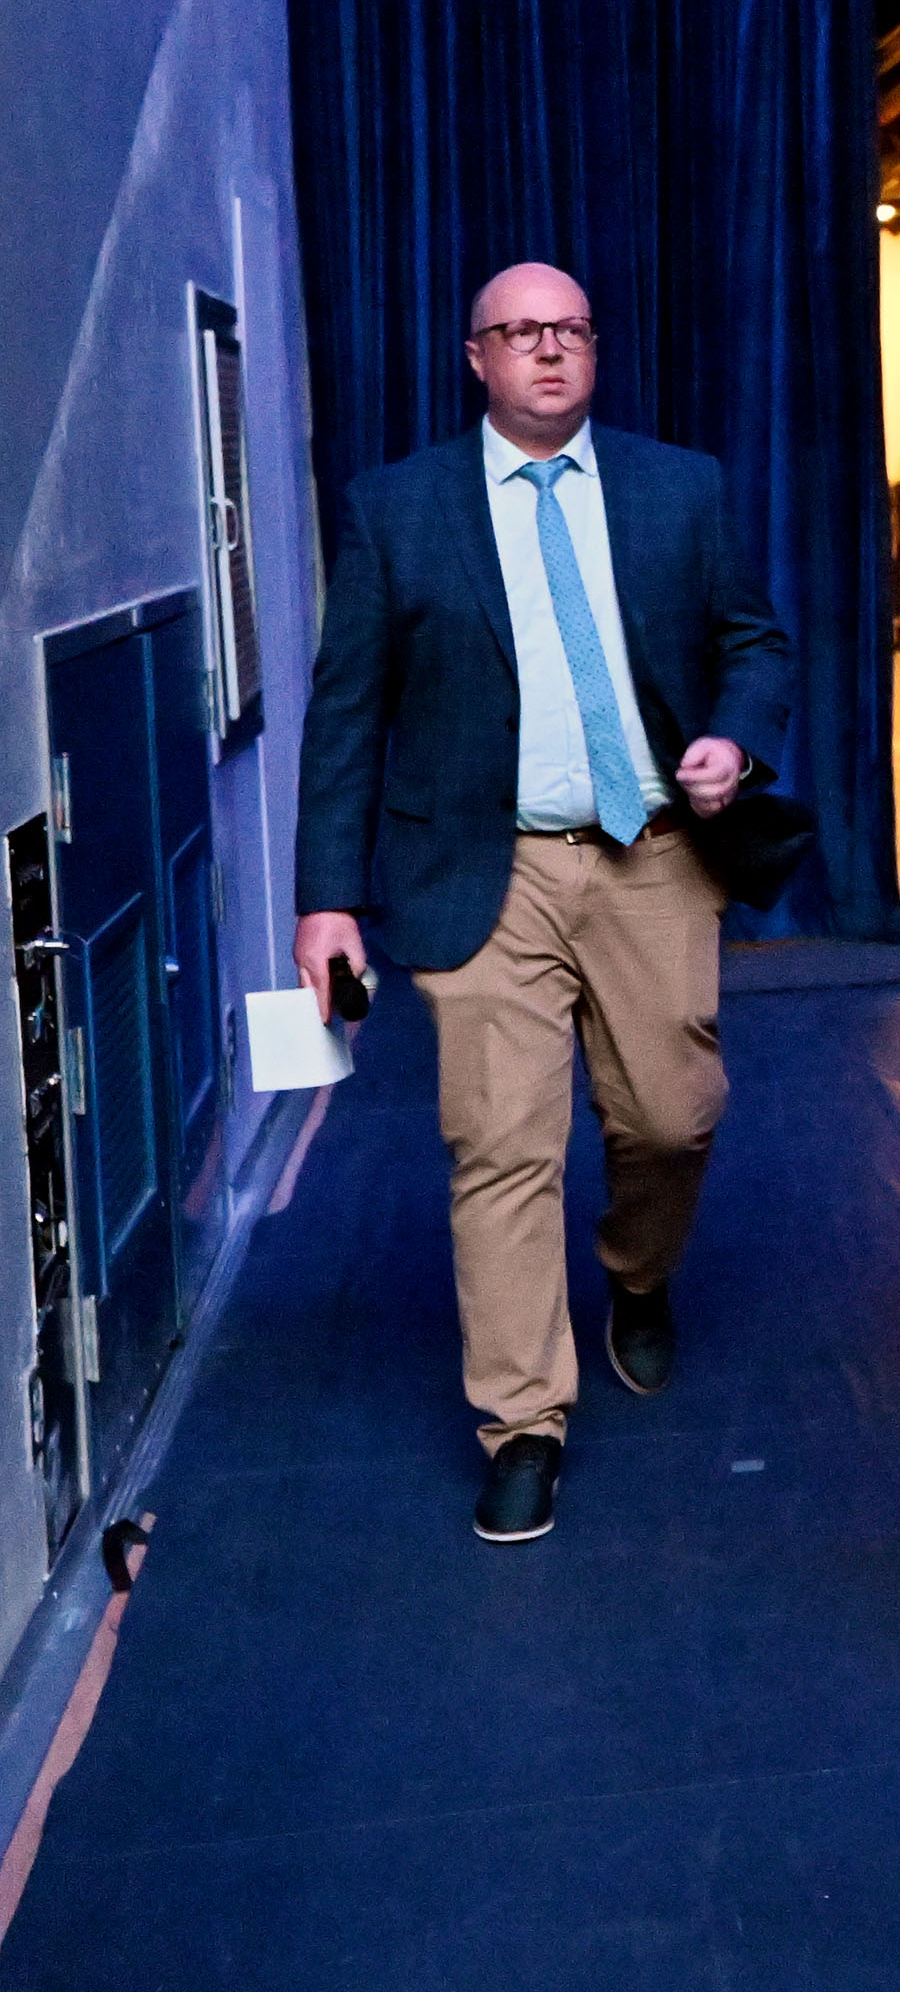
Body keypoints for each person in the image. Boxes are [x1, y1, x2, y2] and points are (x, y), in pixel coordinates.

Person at [294, 263, 789, 1546]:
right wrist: (324, 902)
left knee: (672, 1116)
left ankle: (637, 1273)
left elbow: (754, 640)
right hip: (481, 871)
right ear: (477, 358)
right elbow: (347, 712)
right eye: (522, 334)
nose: (550, 353)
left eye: (571, 329)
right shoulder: (397, 509)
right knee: (502, 1147)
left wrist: (734, 737)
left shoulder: (682, 486)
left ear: (594, 347)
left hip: (654, 853)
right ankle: (522, 1420)